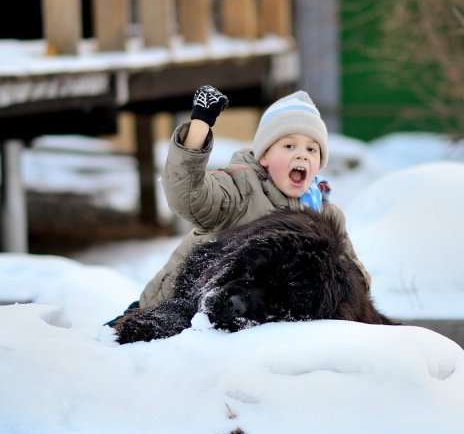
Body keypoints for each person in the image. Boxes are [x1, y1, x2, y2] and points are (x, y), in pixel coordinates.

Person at [108, 85, 370, 326]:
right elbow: (188, 196)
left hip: (244, 313)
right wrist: (199, 127)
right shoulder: (239, 188)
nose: (302, 154)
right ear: (265, 156)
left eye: (312, 150)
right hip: (172, 304)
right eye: (289, 146)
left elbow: (351, 272)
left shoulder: (323, 214)